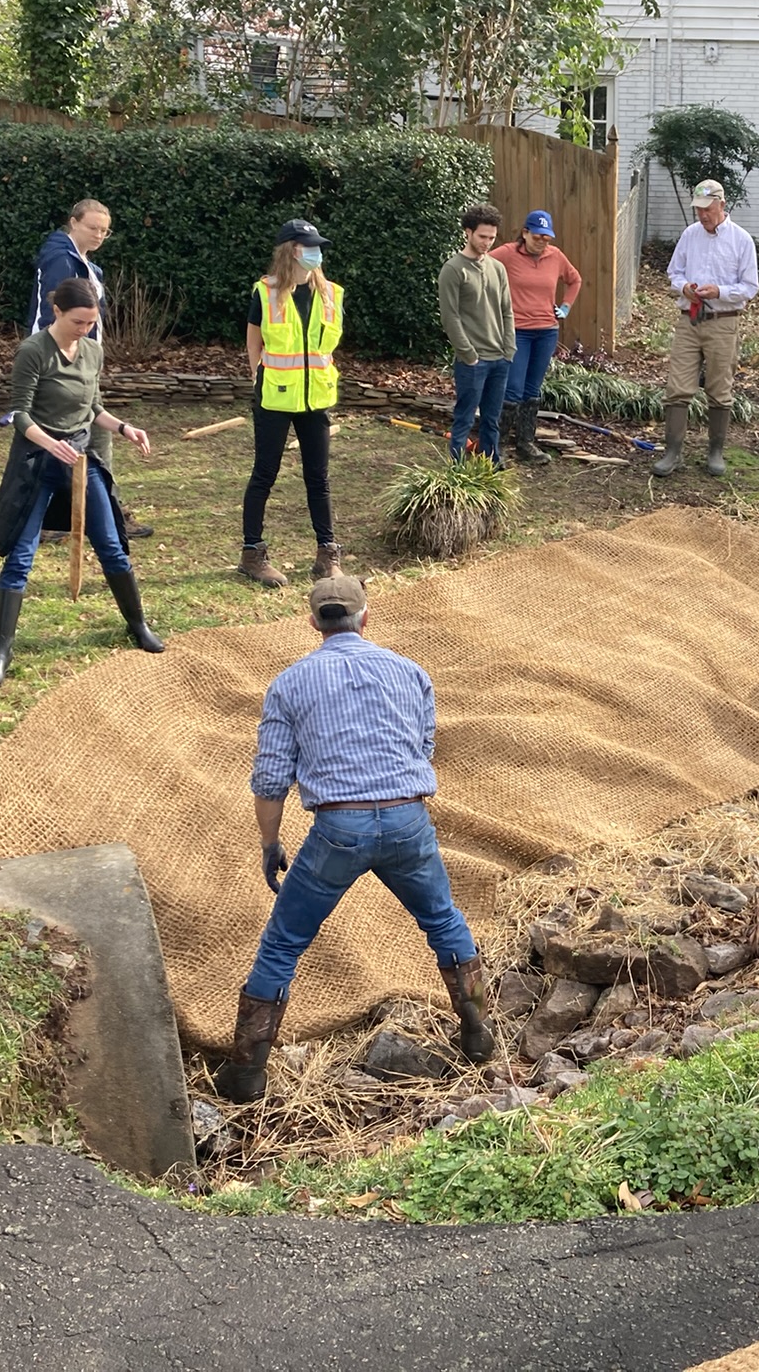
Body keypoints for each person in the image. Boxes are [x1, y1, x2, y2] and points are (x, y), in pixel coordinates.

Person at [215, 574, 496, 1101]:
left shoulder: (291, 683)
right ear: (365, 617)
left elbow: (271, 778)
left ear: (312, 622)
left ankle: (246, 1073)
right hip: (409, 822)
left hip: (337, 830)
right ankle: (478, 1032)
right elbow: (424, 744)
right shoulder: (410, 673)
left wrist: (269, 844)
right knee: (442, 920)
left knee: (283, 943)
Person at [0, 277, 163, 688]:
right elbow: (19, 415)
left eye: (91, 323)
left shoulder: (93, 351)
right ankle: (0, 652)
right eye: (78, 322)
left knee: (112, 545)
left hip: (81, 459)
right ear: (58, 312)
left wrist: (124, 428)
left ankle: (138, 625)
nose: (85, 329)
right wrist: (51, 444)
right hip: (37, 461)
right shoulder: (33, 351)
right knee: (21, 556)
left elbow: (92, 406)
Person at [27, 199, 151, 541]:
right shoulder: (59, 259)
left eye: (104, 230)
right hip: (58, 365)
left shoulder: (89, 268)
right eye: (92, 227)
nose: (98, 234)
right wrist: (53, 361)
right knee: (54, 441)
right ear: (73, 223)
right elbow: (50, 315)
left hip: (83, 363)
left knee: (94, 437)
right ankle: (50, 518)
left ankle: (105, 513)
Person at [238, 220, 343, 589]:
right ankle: (252, 553)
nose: (317, 252)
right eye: (309, 245)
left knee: (319, 478)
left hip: (315, 398)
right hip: (276, 397)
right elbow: (254, 339)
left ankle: (327, 554)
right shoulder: (266, 292)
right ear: (292, 250)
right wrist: (257, 375)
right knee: (264, 474)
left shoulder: (330, 292)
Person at [658, 179, 759, 478]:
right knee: (678, 388)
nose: (702, 215)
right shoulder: (690, 235)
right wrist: (684, 287)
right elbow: (673, 272)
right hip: (689, 320)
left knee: (719, 388)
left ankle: (715, 452)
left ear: (722, 205)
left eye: (707, 209)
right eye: (698, 210)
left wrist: (721, 292)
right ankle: (672, 452)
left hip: (723, 324)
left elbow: (750, 287)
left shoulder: (742, 240)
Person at [489, 210, 583, 466]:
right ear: (525, 233)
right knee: (514, 388)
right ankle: (495, 446)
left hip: (546, 331)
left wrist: (565, 307)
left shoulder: (556, 256)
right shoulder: (507, 253)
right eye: (538, 236)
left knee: (532, 389)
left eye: (547, 238)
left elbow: (574, 280)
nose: (543, 242)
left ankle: (525, 444)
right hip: (517, 331)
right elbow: (480, 267)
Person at [438, 205, 517, 465]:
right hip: (472, 361)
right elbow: (450, 317)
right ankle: (457, 470)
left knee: (492, 419)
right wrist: (468, 355)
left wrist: (509, 349)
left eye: (492, 237)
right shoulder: (453, 269)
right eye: (482, 236)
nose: (487, 242)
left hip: (499, 358)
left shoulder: (497, 268)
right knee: (464, 417)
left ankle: (490, 467)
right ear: (468, 232)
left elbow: (507, 310)